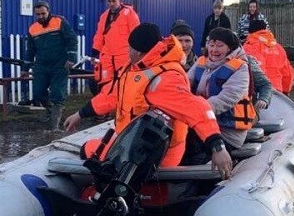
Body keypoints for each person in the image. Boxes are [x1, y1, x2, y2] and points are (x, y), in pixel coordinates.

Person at [64, 23, 234, 179]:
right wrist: (80, 114)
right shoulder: (134, 67)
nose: (127, 51)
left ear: (138, 51)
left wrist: (217, 146)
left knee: (90, 153)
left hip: (156, 151)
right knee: (88, 148)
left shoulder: (163, 78)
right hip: (130, 142)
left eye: (129, 48)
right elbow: (112, 96)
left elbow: (197, 107)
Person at [186, 26, 256, 153]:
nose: (214, 50)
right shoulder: (201, 62)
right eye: (211, 45)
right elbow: (185, 84)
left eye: (219, 46)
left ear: (230, 47)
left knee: (191, 152)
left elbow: (227, 98)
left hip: (227, 133)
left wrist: (195, 110)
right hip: (200, 122)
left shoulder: (240, 68)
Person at [23, 0, 77, 130]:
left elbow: (72, 40)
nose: (41, 16)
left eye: (43, 13)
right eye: (38, 14)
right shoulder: (33, 28)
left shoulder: (60, 22)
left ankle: (55, 127)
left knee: (57, 93)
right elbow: (30, 50)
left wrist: (71, 58)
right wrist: (25, 68)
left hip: (60, 64)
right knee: (38, 92)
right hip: (41, 65)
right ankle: (49, 110)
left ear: (48, 11)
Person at [92, 0, 140, 91]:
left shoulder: (130, 13)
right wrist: (95, 51)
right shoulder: (104, 16)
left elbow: (136, 33)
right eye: (109, 1)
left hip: (123, 55)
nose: (111, 4)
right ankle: (107, 104)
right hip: (107, 55)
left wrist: (136, 52)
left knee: (124, 81)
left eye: (114, 1)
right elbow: (100, 35)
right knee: (105, 82)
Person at [242, 20, 294, 94]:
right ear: (265, 29)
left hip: (257, 93)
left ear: (250, 32)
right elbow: (287, 72)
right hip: (277, 90)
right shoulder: (278, 48)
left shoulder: (248, 47)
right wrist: (286, 90)